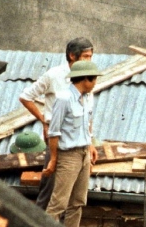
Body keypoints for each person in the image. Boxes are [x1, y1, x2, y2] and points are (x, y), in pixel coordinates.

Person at [19, 37, 94, 209]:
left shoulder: (88, 78)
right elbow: (26, 97)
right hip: (58, 139)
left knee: (74, 195)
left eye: (90, 57)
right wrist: (45, 121)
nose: (88, 61)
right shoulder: (54, 76)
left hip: (78, 141)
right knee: (50, 187)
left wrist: (90, 141)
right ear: (72, 56)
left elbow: (88, 113)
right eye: (85, 57)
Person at [44, 60, 101, 227]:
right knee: (58, 203)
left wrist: (90, 146)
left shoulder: (85, 99)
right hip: (68, 156)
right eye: (94, 79)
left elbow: (86, 126)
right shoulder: (64, 99)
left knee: (77, 202)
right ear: (85, 79)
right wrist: (54, 159)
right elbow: (53, 132)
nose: (95, 83)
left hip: (83, 154)